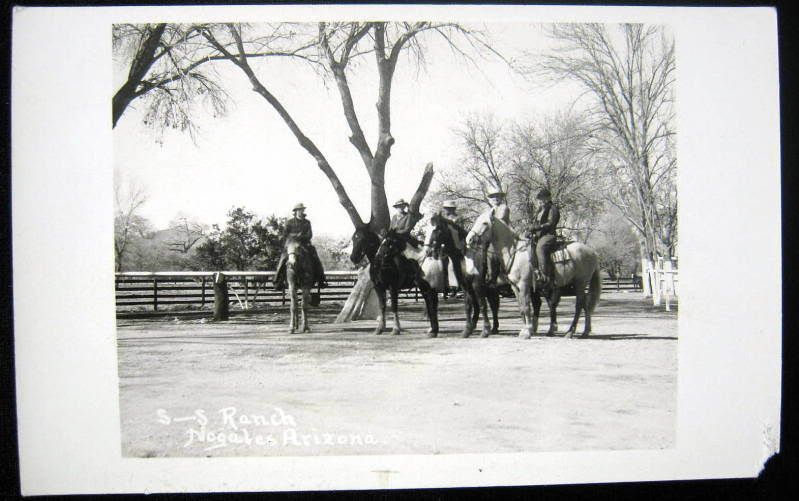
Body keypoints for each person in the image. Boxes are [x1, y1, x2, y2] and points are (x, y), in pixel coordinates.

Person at [273, 203, 327, 290]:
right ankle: (277, 281)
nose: (301, 211)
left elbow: (309, 235)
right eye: (299, 210)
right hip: (291, 245)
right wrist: (294, 237)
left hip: (304, 244)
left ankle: (321, 280)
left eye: (302, 210)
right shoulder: (289, 222)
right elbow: (285, 234)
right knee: (283, 259)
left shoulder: (307, 222)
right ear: (295, 211)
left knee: (315, 256)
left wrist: (300, 237)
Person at [530, 188, 561, 288]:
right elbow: (535, 223)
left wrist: (537, 227)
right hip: (539, 235)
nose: (541, 201)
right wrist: (530, 229)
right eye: (539, 199)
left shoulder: (553, 209)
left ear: (548, 198)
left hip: (549, 235)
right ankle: (534, 271)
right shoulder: (539, 210)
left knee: (540, 247)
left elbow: (551, 223)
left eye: (543, 199)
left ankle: (544, 275)